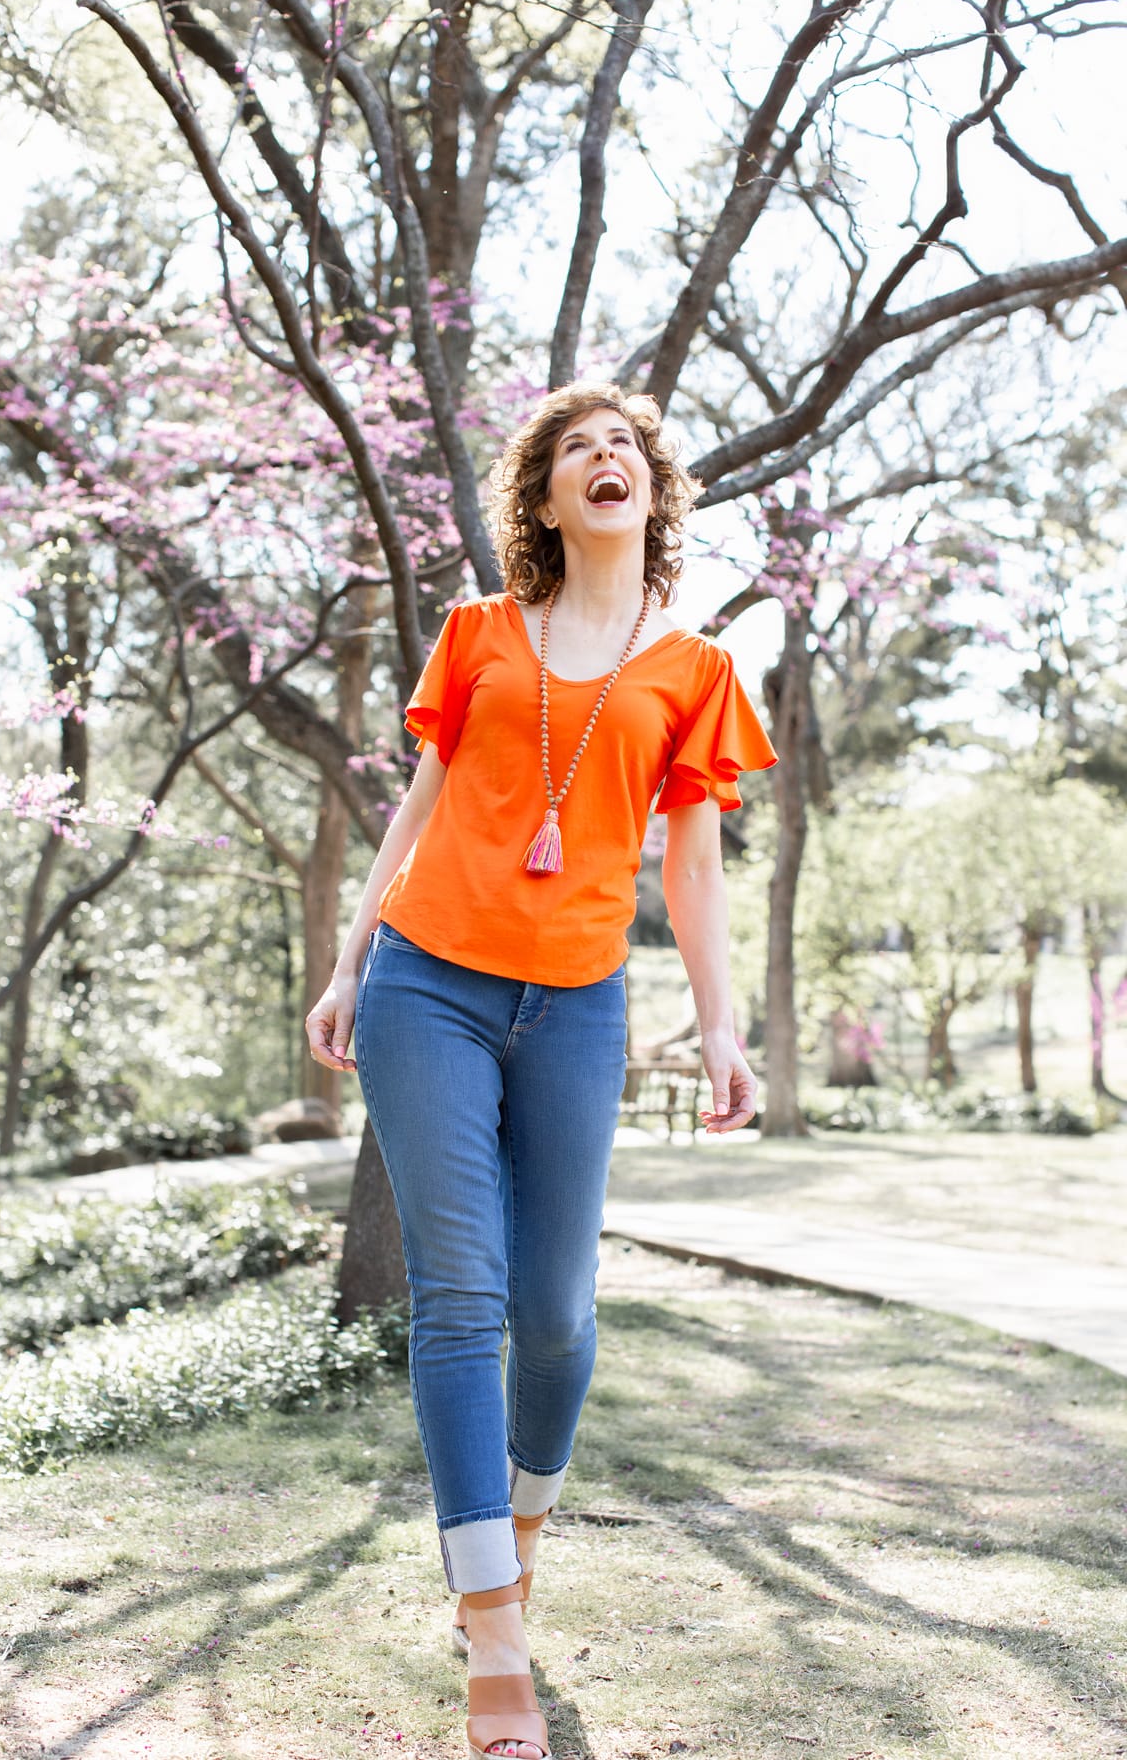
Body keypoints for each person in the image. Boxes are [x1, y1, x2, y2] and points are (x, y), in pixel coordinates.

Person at [305, 381, 777, 1760]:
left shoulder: (694, 668)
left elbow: (692, 869)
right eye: (578, 448)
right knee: (464, 1300)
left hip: (576, 1005)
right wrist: (349, 963)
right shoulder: (479, 633)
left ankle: (512, 1523)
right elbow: (425, 803)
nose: (606, 457)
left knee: (560, 1320)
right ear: (547, 498)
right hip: (426, 984)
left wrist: (724, 1027)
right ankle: (492, 1625)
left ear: (651, 490)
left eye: (625, 444)